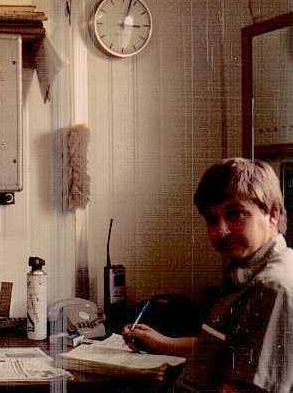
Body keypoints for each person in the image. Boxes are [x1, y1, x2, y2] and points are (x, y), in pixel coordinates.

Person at [122, 157, 292, 393]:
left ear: (272, 214)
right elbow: (230, 348)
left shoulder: (272, 288)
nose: (220, 231)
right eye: (212, 219)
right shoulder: (248, 272)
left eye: (235, 214)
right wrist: (163, 343)